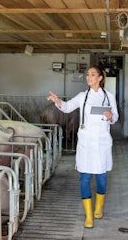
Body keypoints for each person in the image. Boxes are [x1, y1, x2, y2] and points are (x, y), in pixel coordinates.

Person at [46, 65, 119, 228]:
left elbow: (115, 117)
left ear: (100, 78)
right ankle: (88, 216)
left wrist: (110, 116)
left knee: (101, 177)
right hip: (86, 142)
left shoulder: (109, 97)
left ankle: (99, 206)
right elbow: (67, 107)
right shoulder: (82, 96)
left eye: (92, 74)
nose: (89, 77)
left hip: (101, 142)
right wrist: (58, 101)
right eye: (87, 74)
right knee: (84, 177)